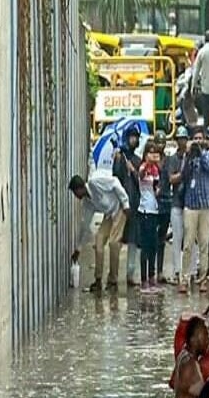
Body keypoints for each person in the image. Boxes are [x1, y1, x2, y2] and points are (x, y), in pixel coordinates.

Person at [69, 171, 130, 293]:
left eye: (75, 193)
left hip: (119, 208)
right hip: (108, 215)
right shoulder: (87, 203)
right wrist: (78, 248)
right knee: (98, 243)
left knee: (113, 243)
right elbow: (85, 226)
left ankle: (113, 280)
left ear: (80, 188)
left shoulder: (94, 183)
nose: (76, 196)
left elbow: (115, 182)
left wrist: (125, 203)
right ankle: (98, 280)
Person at [179, 127, 209, 292]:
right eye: (196, 138)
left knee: (204, 244)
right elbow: (184, 176)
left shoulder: (208, 154)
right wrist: (189, 155)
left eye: (201, 138)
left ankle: (202, 278)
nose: (198, 141)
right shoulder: (187, 157)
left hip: (205, 205)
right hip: (190, 205)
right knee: (187, 244)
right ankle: (184, 278)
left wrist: (199, 152)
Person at [111, 124, 143, 287]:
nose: (134, 140)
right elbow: (115, 178)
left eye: (136, 137)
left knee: (133, 240)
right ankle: (113, 276)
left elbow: (143, 182)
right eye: (132, 136)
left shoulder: (137, 160)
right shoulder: (119, 158)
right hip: (121, 207)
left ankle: (130, 274)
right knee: (115, 240)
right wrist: (118, 161)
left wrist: (134, 171)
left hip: (135, 205)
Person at [172, 315, 209, 398]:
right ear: (195, 338)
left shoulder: (184, 356)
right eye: (205, 335)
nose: (208, 339)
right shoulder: (189, 363)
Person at [164, 127, 189, 283]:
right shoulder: (172, 159)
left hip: (190, 203)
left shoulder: (191, 156)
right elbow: (171, 179)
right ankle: (176, 271)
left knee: (190, 240)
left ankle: (190, 271)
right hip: (176, 202)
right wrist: (183, 173)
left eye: (184, 138)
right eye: (179, 138)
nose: (182, 141)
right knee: (177, 238)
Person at [135, 145, 162, 290]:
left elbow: (157, 188)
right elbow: (140, 175)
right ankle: (143, 278)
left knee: (153, 245)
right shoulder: (143, 168)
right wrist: (147, 166)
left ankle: (152, 276)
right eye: (150, 153)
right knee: (145, 246)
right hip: (144, 209)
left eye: (155, 153)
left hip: (154, 210)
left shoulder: (156, 170)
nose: (153, 156)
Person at [155, 135, 178, 282]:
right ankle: (155, 271)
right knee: (156, 238)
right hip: (155, 202)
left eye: (163, 142)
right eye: (158, 142)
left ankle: (164, 271)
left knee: (166, 237)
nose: (161, 145)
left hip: (168, 200)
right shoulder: (150, 160)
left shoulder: (169, 160)